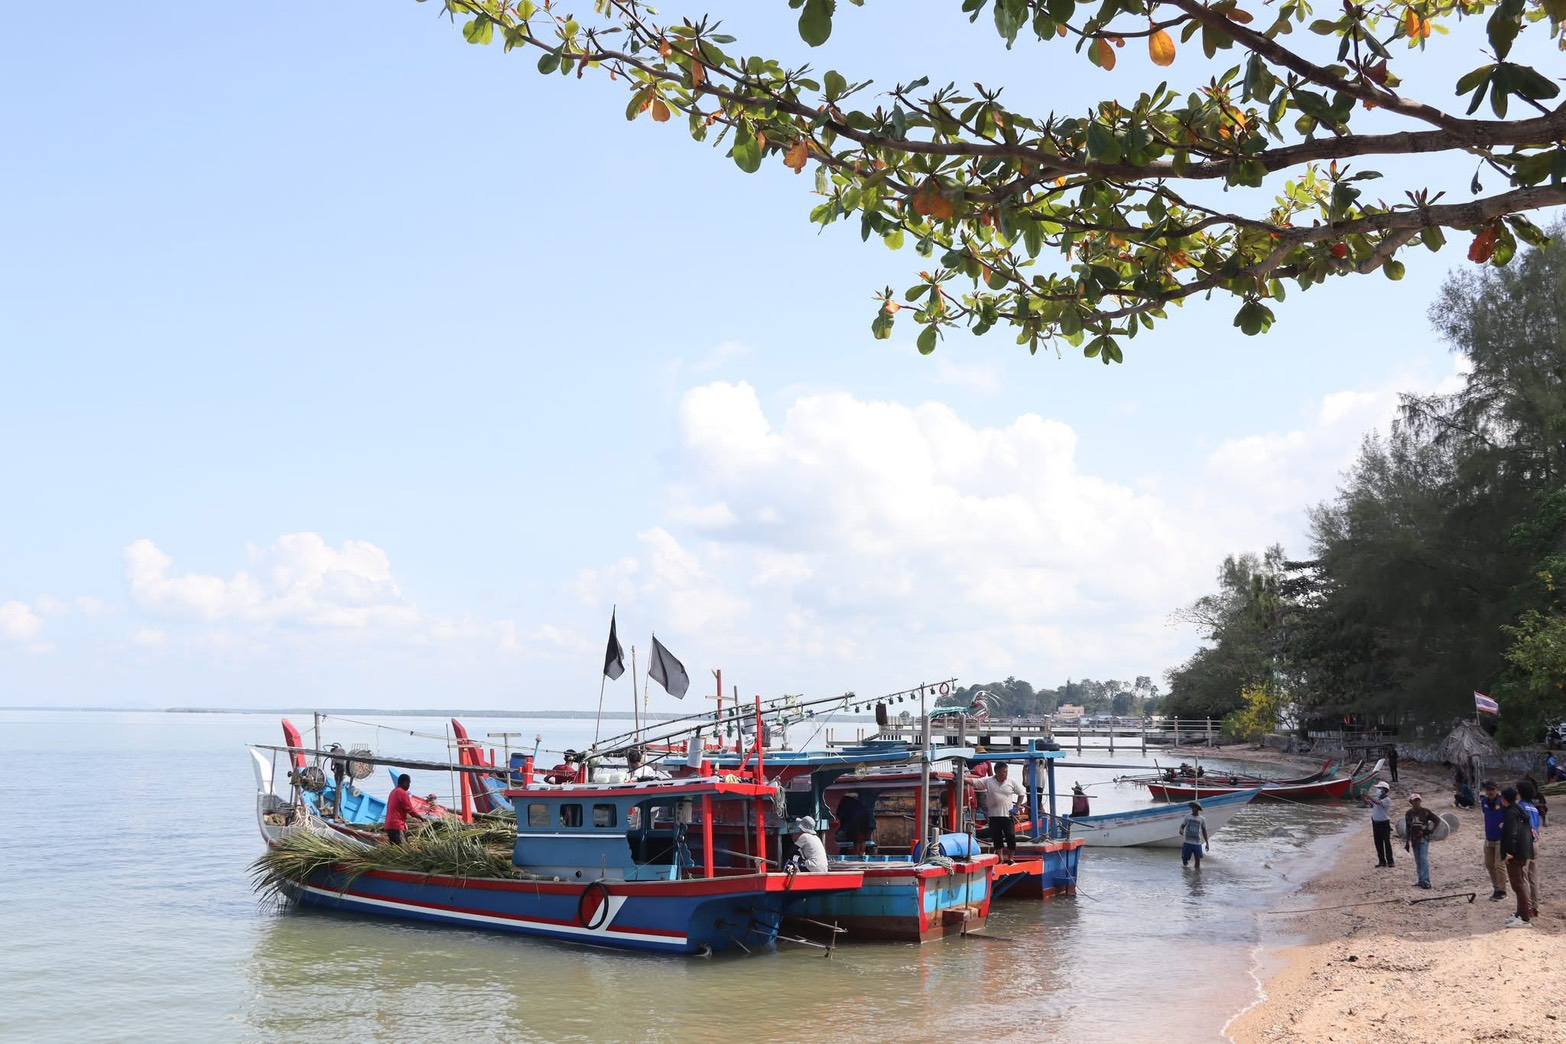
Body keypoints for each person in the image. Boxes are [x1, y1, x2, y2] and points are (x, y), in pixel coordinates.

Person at [973, 762, 1026, 863]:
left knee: (1010, 835)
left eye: (1006, 772)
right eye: (1003, 772)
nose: (1005, 774)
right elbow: (975, 782)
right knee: (997, 838)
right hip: (994, 815)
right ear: (996, 772)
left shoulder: (1011, 781)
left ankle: (1011, 857)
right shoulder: (989, 781)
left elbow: (1021, 793)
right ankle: (1000, 857)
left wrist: (1017, 807)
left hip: (1007, 815)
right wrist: (961, 778)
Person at [1500, 786, 1535, 927]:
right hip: (1523, 852)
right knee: (1518, 884)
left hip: (1515, 855)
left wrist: (1510, 852)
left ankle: (1525, 918)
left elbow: (1512, 834)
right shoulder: (1518, 809)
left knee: (1518, 885)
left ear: (1504, 799)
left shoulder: (1510, 813)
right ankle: (1519, 913)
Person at [1518, 779, 1544, 918]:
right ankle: (1535, 907)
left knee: (1523, 877)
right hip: (1535, 843)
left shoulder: (1520, 807)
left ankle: (1526, 907)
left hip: (1525, 844)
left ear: (1520, 793)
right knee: (1533, 876)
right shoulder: (1534, 808)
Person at [1403, 793, 1440, 889]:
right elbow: (1408, 828)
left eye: (1418, 800)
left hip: (1424, 838)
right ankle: (1421, 880)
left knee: (1423, 859)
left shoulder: (1425, 812)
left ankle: (1426, 881)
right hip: (1414, 839)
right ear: (1411, 802)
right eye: (1415, 800)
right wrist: (1407, 841)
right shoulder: (1408, 813)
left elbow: (1437, 820)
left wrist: (1430, 831)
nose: (1417, 802)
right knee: (1418, 860)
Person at [1480, 780, 1508, 901]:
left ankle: (1502, 891)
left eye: (1492, 789)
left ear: (1497, 789)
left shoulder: (1503, 801)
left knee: (1499, 865)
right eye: (1488, 789)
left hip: (1501, 838)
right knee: (1489, 864)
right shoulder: (1484, 801)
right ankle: (1496, 888)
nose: (1490, 792)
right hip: (1489, 837)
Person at [385, 773, 427, 845]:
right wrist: (421, 818)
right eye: (409, 783)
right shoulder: (402, 793)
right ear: (405, 782)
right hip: (397, 826)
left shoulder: (393, 792)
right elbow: (410, 810)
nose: (409, 785)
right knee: (403, 851)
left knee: (395, 849)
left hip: (389, 826)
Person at [834, 791, 876, 857]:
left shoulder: (846, 803)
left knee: (858, 840)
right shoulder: (858, 805)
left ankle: (857, 855)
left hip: (857, 824)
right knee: (861, 840)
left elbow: (841, 816)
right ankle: (860, 854)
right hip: (864, 823)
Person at [1367, 781, 1395, 868]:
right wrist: (1364, 797)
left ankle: (1390, 861)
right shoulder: (1378, 799)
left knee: (1386, 842)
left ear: (1384, 790)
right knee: (1378, 843)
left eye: (1379, 788)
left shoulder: (1387, 800)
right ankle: (1382, 861)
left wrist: (1368, 797)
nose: (1377, 790)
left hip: (1384, 823)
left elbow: (1377, 803)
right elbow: (1371, 804)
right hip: (1375, 823)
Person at [1180, 802, 1209, 869]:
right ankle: (1186, 873)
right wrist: (1181, 830)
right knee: (1184, 859)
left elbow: (1204, 831)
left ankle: (1197, 876)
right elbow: (1182, 826)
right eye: (1192, 807)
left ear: (1198, 809)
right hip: (1187, 842)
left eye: (1195, 807)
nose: (1193, 809)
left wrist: (1207, 843)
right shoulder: (1187, 817)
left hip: (1197, 843)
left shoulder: (1202, 819)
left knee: (1198, 860)